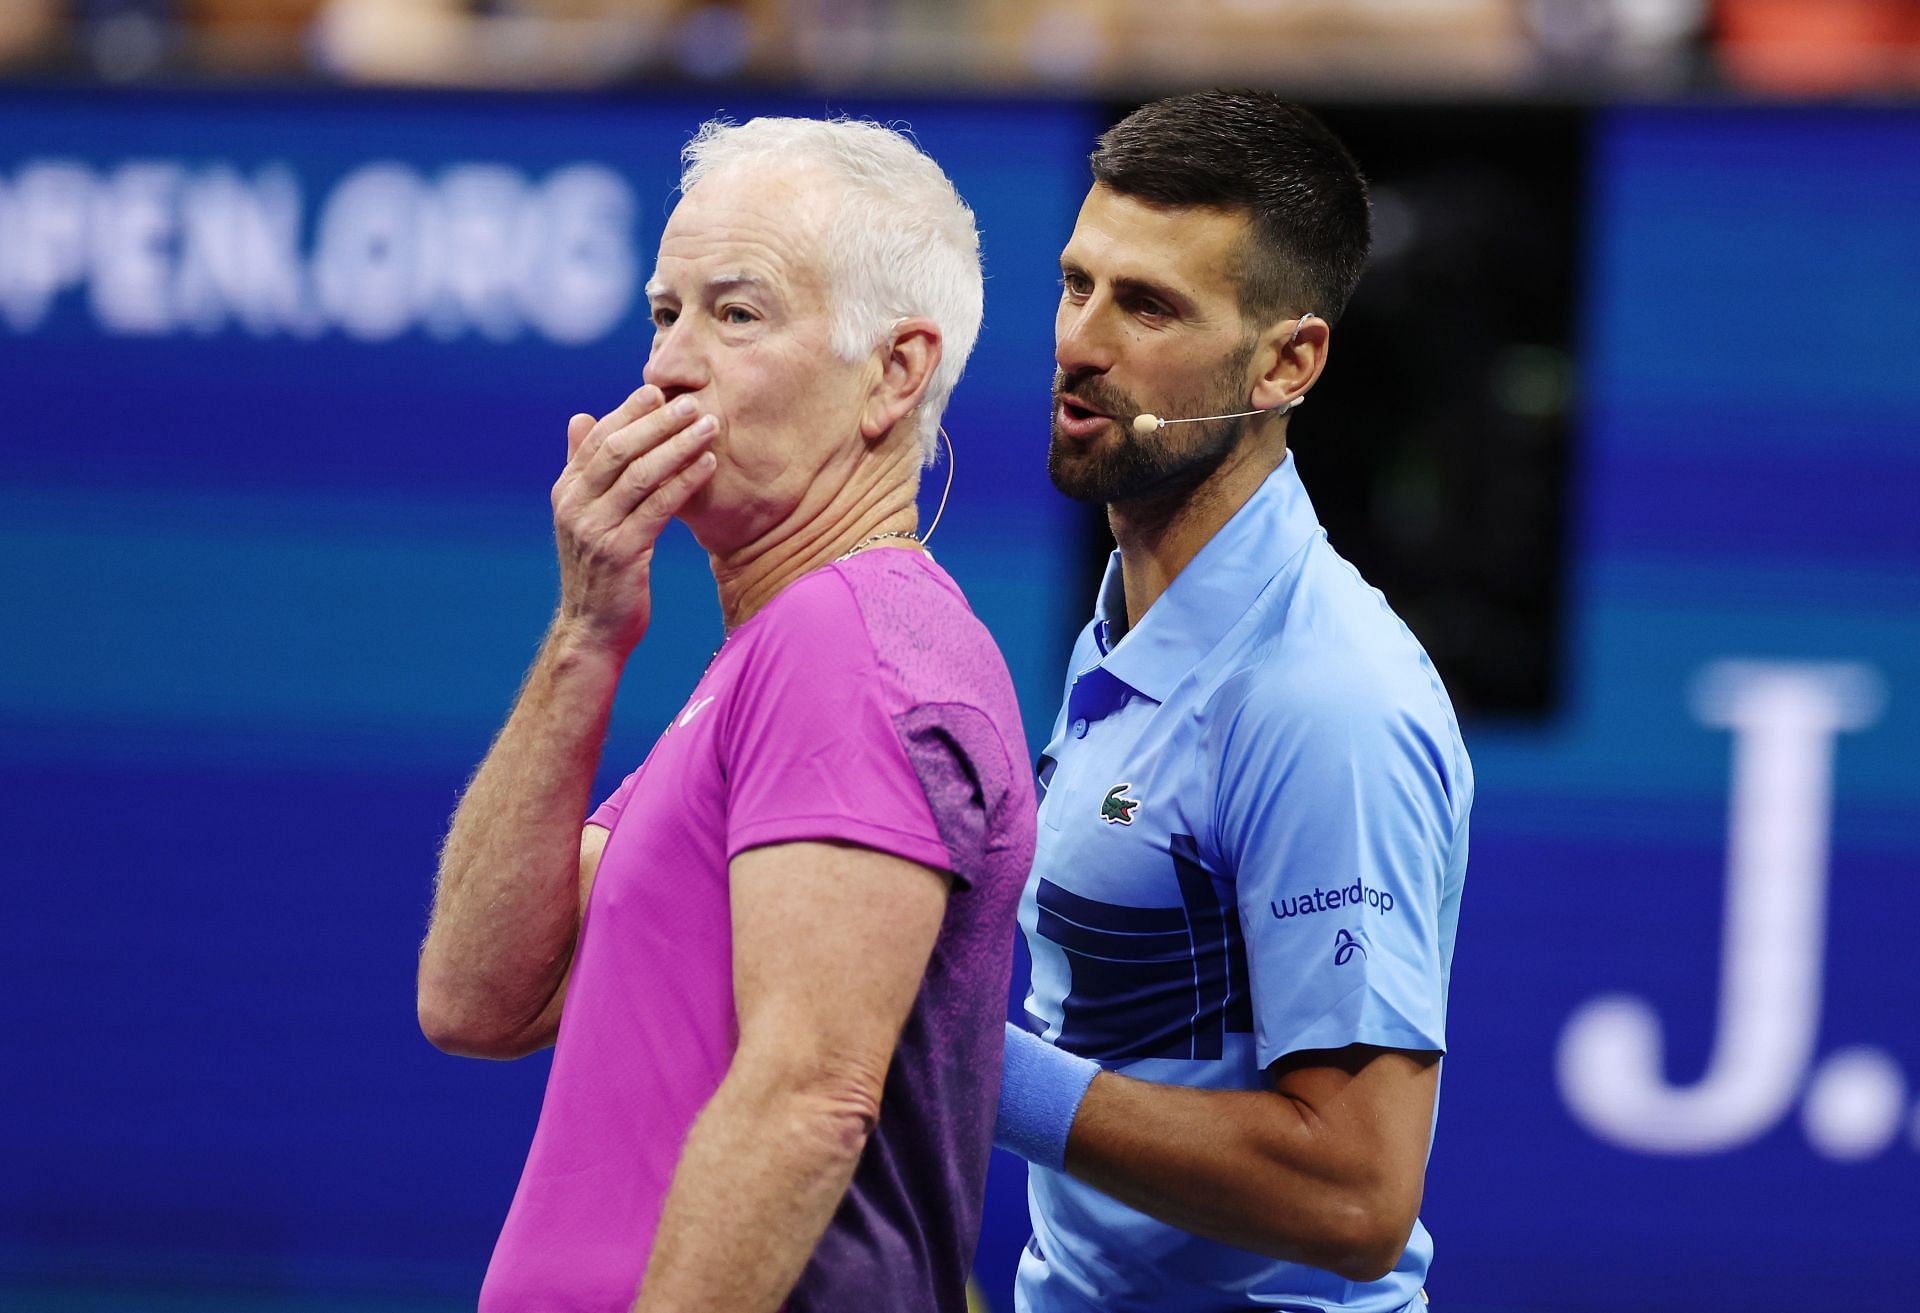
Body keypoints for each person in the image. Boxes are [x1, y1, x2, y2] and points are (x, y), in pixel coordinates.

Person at [416, 116, 1036, 1313]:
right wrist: (585, 632)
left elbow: (811, 1099)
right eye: (665, 313)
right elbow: (478, 994)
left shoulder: (847, 638)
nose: (666, 368)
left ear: (896, 373)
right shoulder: (767, 659)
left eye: (735, 314)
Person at [993, 90, 1472, 1313]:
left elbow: (1357, 1200)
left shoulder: (1325, 698)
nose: (1081, 343)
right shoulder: (1135, 614)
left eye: (1148, 305)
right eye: (1077, 283)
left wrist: (960, 1068)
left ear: (1287, 362)